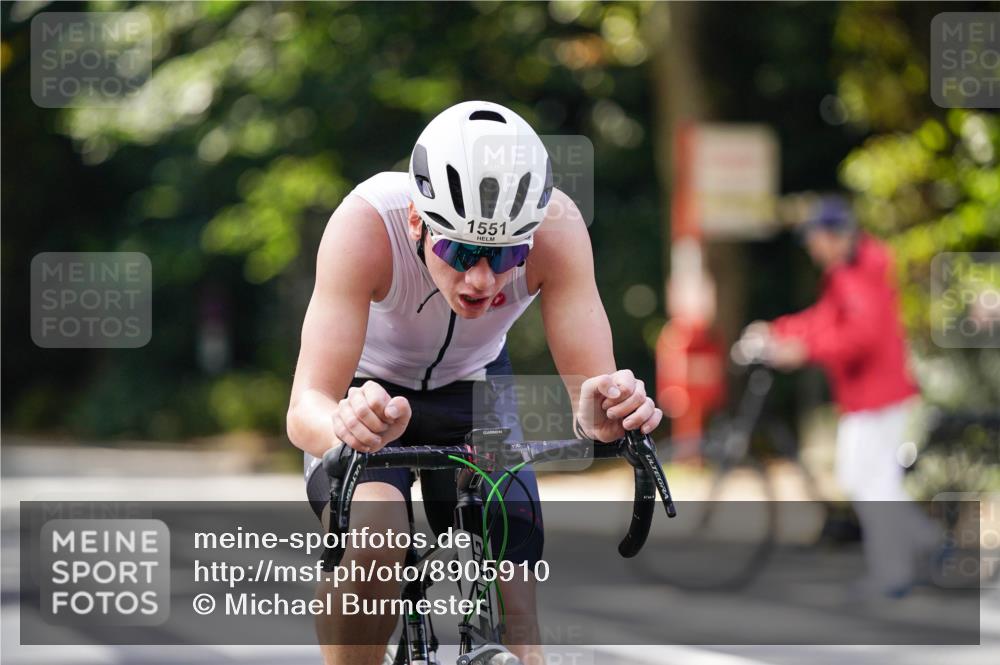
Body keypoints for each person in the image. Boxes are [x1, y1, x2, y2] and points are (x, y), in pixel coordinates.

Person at [286, 100, 662, 665]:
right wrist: (343, 423)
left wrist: (608, 414)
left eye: (506, 252)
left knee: (518, 600)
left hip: (476, 386)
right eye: (460, 250)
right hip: (370, 394)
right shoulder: (366, 223)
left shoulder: (557, 231)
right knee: (377, 538)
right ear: (417, 219)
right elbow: (304, 407)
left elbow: (592, 394)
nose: (482, 279)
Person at [743, 194, 938, 598]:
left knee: (873, 483)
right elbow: (824, 320)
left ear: (833, 236)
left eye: (815, 238)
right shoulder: (848, 271)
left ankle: (897, 572)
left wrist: (803, 350)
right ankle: (928, 544)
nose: (812, 248)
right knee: (862, 479)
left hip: (877, 395)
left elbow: (859, 336)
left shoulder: (859, 274)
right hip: (868, 395)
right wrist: (779, 331)